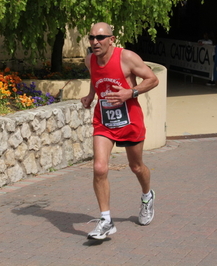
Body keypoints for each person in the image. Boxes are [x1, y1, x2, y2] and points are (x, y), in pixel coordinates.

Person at [81, 22, 159, 240]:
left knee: (136, 167)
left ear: (111, 39)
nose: (95, 42)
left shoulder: (127, 57)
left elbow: (153, 79)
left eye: (100, 38)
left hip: (129, 120)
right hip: (104, 120)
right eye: (91, 38)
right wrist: (90, 96)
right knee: (99, 167)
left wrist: (130, 92)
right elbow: (95, 79)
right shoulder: (90, 60)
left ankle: (147, 196)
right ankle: (106, 220)